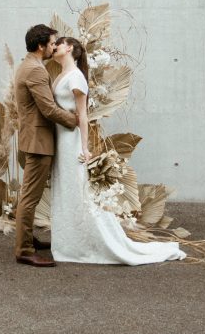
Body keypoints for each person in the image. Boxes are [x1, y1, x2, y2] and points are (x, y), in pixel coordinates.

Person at [49, 36, 186, 265]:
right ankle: (68, 241)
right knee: (66, 190)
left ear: (69, 48)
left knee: (78, 190)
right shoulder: (61, 75)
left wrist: (84, 147)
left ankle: (89, 241)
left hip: (71, 141)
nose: (54, 48)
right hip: (60, 138)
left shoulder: (75, 77)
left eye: (58, 44)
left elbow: (83, 116)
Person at [13, 24, 78, 267]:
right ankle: (24, 250)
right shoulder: (35, 71)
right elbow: (48, 109)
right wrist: (75, 120)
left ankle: (28, 239)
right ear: (41, 46)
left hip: (34, 137)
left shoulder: (29, 65)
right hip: (38, 140)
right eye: (52, 43)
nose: (54, 46)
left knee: (30, 195)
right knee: (30, 197)